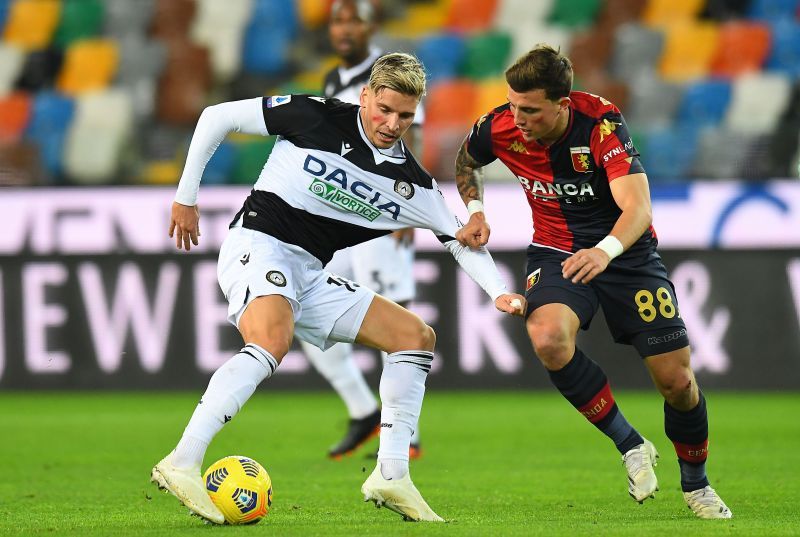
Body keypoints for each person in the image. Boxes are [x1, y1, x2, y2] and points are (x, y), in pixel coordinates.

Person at [151, 52, 526, 524]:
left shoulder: (410, 184)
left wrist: (498, 291)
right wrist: (186, 198)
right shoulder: (314, 115)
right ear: (365, 96)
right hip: (260, 243)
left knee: (415, 338)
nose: (392, 123)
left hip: (308, 272)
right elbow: (216, 116)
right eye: (383, 109)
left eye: (405, 116)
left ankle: (391, 474)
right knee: (271, 340)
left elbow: (460, 241)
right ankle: (182, 461)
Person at [453, 44, 732, 520]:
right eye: (513, 105)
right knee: (547, 338)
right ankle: (630, 445)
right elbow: (466, 162)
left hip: (625, 254)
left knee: (678, 381)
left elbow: (638, 209)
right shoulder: (499, 124)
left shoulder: (600, 124)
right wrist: (476, 210)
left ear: (562, 104)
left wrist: (604, 251)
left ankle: (697, 485)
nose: (516, 118)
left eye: (530, 110)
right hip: (557, 250)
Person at [300, 0, 424, 460]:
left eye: (354, 19)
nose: (345, 28)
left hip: (382, 214)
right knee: (306, 311)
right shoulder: (335, 80)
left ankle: (404, 436)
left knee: (397, 320)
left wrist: (407, 206)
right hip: (341, 217)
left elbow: (415, 134)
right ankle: (362, 412)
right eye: (338, 20)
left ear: (370, 25)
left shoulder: (390, 74)